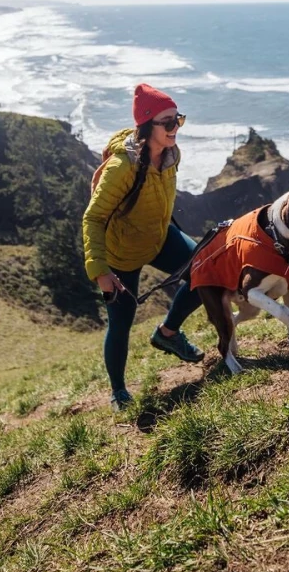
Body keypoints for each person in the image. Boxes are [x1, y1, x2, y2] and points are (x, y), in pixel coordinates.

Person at [83, 83, 206, 410]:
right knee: (121, 324)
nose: (175, 128)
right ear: (146, 126)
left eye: (177, 120)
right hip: (121, 254)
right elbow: (93, 219)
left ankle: (167, 333)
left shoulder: (171, 153)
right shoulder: (122, 167)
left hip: (159, 238)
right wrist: (101, 271)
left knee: (206, 269)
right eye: (167, 123)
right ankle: (119, 392)